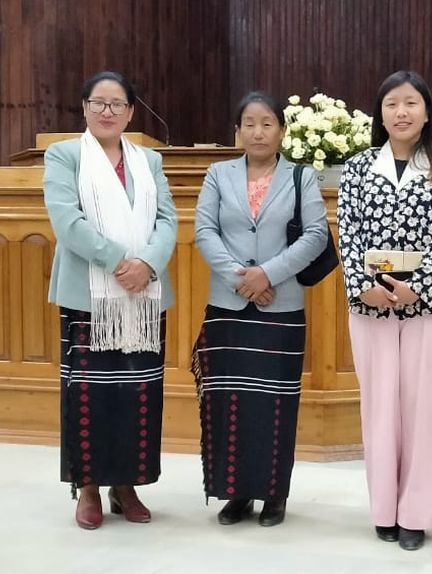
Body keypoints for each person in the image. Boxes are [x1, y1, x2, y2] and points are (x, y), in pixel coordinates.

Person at [43, 71, 177, 529]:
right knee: (89, 396)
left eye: (117, 104)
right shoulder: (64, 156)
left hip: (144, 298)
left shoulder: (150, 161)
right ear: (84, 107)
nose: (108, 111)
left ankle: (126, 484)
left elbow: (167, 221)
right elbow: (67, 221)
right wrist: (122, 261)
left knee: (137, 393)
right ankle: (87, 487)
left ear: (131, 112)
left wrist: (149, 264)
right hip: (89, 296)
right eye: (99, 103)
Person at [337, 71, 432, 551]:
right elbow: (347, 234)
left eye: (411, 103)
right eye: (392, 104)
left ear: (427, 111)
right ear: (381, 113)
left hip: (427, 307)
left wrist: (418, 287)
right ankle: (383, 510)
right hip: (368, 305)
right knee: (379, 405)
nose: (402, 112)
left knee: (423, 408)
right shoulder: (357, 167)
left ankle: (415, 513)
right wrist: (363, 286)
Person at [192, 91, 328, 528]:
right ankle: (235, 494)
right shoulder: (217, 174)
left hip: (281, 307)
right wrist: (242, 278)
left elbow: (315, 236)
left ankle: (273, 495)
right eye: (249, 123)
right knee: (229, 401)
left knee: (273, 405)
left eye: (267, 123)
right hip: (228, 308)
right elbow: (204, 231)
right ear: (237, 131)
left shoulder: (300, 178)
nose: (258, 131)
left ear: (282, 131)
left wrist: (266, 275)